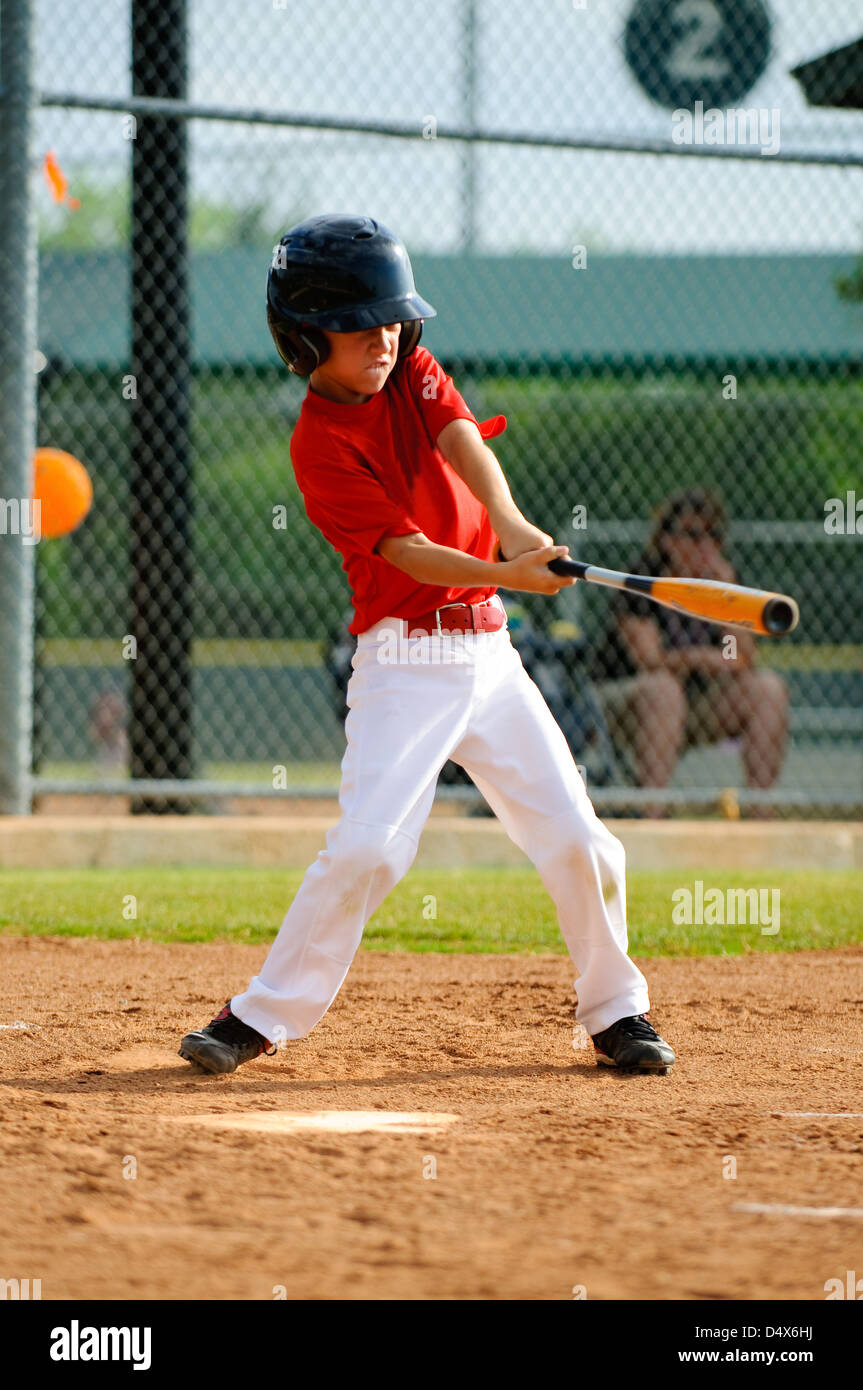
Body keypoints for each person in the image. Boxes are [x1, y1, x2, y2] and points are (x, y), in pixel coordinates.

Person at [178, 214, 674, 1076]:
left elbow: (459, 439)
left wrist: (513, 527)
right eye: (358, 323)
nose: (383, 336)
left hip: (489, 656)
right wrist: (508, 571)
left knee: (580, 840)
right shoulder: (318, 442)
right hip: (401, 661)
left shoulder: (409, 367)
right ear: (303, 338)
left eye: (392, 319)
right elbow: (404, 550)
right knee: (371, 846)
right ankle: (258, 1015)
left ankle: (616, 1011)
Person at [592, 489, 789, 812]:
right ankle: (653, 815)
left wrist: (730, 596)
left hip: (696, 703)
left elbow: (744, 657)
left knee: (768, 689)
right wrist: (700, 658)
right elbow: (648, 660)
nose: (705, 546)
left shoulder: (722, 584)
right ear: (668, 540)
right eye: (694, 535)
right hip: (625, 701)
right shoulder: (644, 580)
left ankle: (759, 816)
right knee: (664, 690)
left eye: (714, 536)